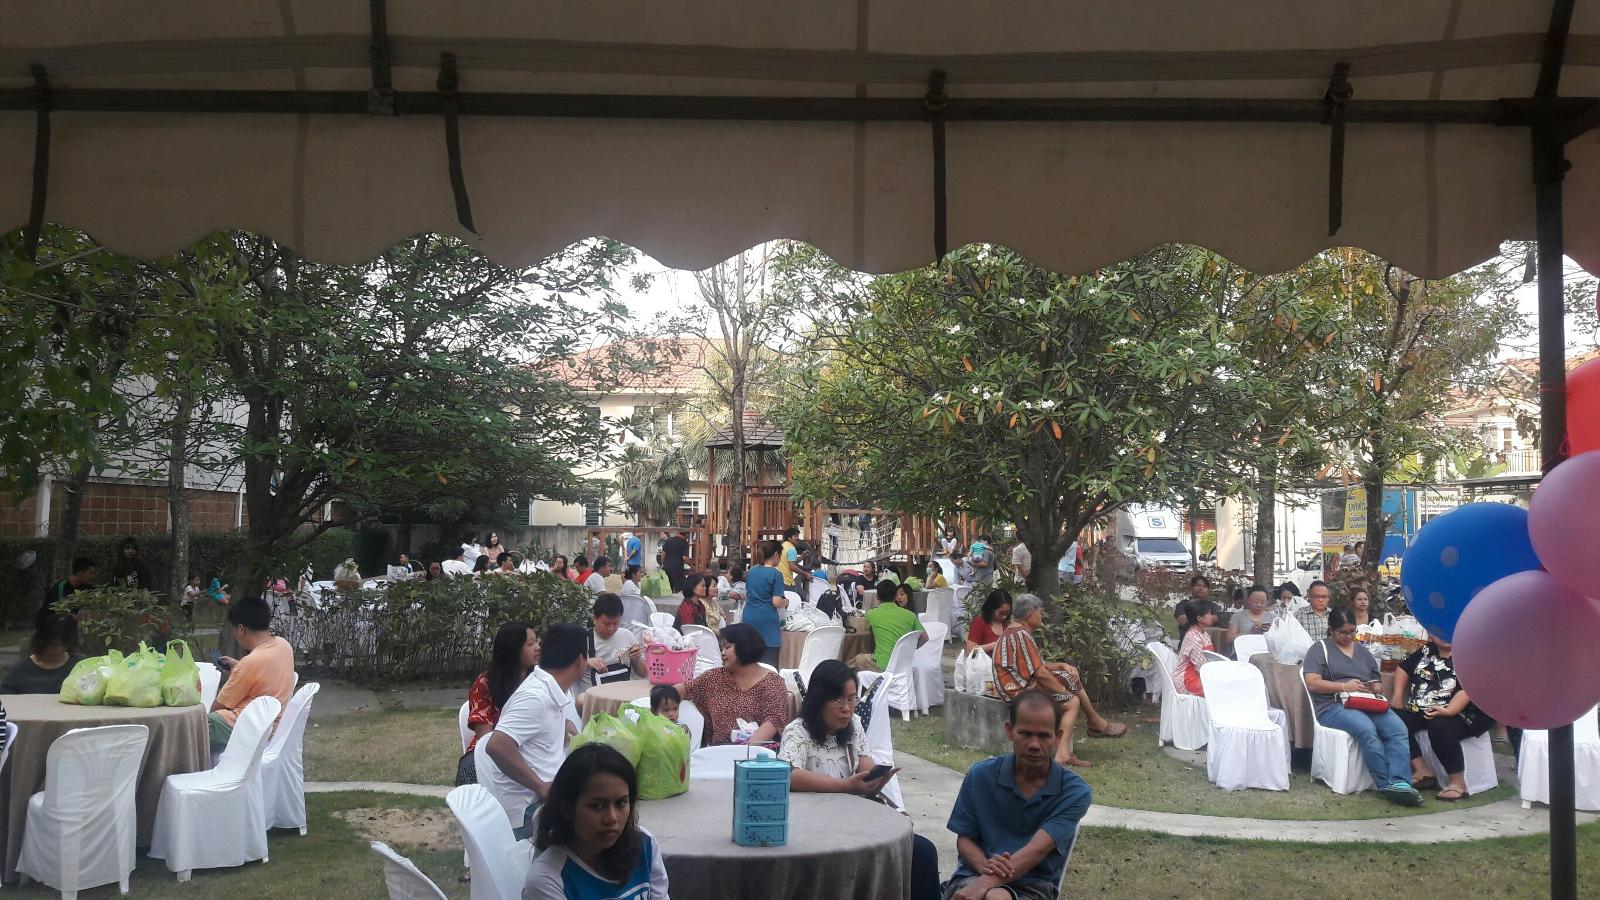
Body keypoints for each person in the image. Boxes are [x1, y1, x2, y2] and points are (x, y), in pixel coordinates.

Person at [779, 659, 942, 900]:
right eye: (838, 700)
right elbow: (789, 775)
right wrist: (845, 787)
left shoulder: (853, 724)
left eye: (852, 699)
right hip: (814, 828)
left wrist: (875, 779)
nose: (847, 708)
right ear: (818, 699)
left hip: (855, 820)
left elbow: (864, 763)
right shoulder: (797, 731)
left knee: (923, 851)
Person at [941, 690, 1092, 900]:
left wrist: (984, 885)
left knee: (995, 897)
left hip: (1032, 885)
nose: (1034, 745)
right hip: (974, 873)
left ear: (1057, 737)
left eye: (1044, 736)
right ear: (1009, 731)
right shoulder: (980, 776)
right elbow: (965, 840)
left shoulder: (1073, 792)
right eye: (1025, 734)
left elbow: (1036, 851)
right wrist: (986, 869)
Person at [1302, 608, 1420, 806]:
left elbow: (1377, 680)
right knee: (1366, 729)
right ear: (1331, 629)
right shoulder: (1319, 649)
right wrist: (1344, 686)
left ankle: (1400, 782)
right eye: (1342, 633)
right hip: (1333, 705)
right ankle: (1386, 783)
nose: (1348, 636)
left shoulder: (1363, 651)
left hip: (1367, 701)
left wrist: (1376, 687)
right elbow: (1312, 683)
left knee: (1398, 728)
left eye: (1352, 631)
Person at [991, 594, 1125, 767]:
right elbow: (1040, 674)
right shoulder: (1021, 635)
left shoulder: (1014, 632)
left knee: (1067, 676)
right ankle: (1065, 752)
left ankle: (1095, 722)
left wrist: (1062, 665)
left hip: (1018, 687)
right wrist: (1064, 692)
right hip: (1017, 693)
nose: (1042, 616)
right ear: (1030, 615)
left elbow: (1035, 666)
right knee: (1072, 701)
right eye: (1040, 612)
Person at [523, 743, 669, 900]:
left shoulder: (644, 845)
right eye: (598, 806)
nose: (612, 818)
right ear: (567, 809)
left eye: (621, 803)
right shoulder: (548, 881)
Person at [482, 623, 588, 836]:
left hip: (547, 798)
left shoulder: (550, 688)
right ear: (580, 660)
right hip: (530, 810)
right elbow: (497, 746)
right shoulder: (535, 697)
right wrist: (540, 786)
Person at [1391, 635, 1495, 800]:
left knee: (1440, 726)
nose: (1444, 635)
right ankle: (1422, 770)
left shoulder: (1470, 654)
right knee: (1393, 720)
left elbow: (1468, 687)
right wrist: (1397, 695)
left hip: (1465, 711)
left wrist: (1449, 711)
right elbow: (1403, 668)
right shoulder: (1427, 650)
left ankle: (1458, 783)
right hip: (1424, 708)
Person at [666, 624, 790, 747]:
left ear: (745, 646)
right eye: (721, 648)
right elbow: (683, 689)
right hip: (717, 753)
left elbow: (773, 720)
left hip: (757, 755)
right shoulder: (714, 678)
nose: (722, 652)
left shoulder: (772, 683)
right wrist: (661, 706)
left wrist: (745, 751)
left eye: (727, 647)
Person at [209, 595, 296, 752]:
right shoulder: (283, 645)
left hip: (250, 729)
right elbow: (265, 674)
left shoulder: (250, 662)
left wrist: (240, 670)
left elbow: (218, 706)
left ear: (241, 629)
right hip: (272, 725)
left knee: (202, 724)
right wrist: (238, 668)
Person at [458, 622, 540, 785]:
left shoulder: (540, 680)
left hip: (532, 748)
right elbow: (485, 739)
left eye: (537, 641)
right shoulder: (485, 683)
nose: (537, 647)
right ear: (512, 650)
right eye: (531, 644)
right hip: (490, 751)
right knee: (471, 774)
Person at [852, 581, 927, 672]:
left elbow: (864, 629)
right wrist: (911, 649)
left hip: (882, 666)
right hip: (904, 666)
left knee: (856, 660)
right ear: (895, 596)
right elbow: (925, 638)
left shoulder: (871, 614)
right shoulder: (911, 615)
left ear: (877, 596)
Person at [2, 611, 85, 694]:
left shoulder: (81, 665)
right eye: (53, 645)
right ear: (42, 642)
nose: (59, 650)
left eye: (65, 645)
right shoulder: (20, 671)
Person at [741, 540, 789, 667]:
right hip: (766, 618)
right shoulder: (776, 574)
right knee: (769, 663)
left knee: (750, 659)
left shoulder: (752, 570)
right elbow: (777, 602)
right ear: (776, 554)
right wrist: (786, 601)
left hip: (749, 615)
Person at [588, 593, 645, 685]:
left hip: (623, 692)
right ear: (595, 619)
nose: (611, 629)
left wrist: (636, 660)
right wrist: (586, 662)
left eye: (616, 623)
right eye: (606, 624)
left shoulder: (627, 636)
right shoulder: (583, 640)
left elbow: (643, 674)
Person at [1172, 599, 1219, 697]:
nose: (1212, 616)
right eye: (1209, 614)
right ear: (1199, 618)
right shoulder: (1194, 638)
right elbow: (1200, 666)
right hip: (1187, 680)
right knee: (1219, 689)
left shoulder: (1204, 634)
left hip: (1199, 674)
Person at [965, 589, 1012, 654]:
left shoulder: (1005, 624)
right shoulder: (980, 622)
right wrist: (994, 645)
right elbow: (969, 650)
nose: (1004, 616)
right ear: (992, 608)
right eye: (1001, 613)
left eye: (1007, 613)